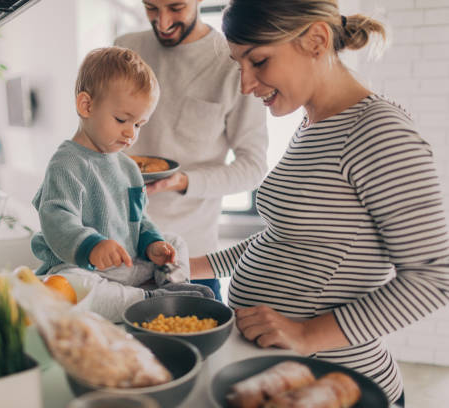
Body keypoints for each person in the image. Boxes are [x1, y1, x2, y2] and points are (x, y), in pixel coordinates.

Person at [190, 0, 449, 405]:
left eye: (258, 61)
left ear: (316, 39)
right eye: (238, 64)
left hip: (337, 384)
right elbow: (285, 239)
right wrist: (191, 266)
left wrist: (307, 333)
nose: (244, 84)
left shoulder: (379, 132)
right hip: (282, 374)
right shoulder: (311, 124)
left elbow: (434, 277)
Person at [31, 47, 213, 322]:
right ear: (86, 106)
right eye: (122, 120)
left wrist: (153, 245)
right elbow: (56, 219)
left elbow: (139, 219)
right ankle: (149, 301)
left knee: (175, 241)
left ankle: (172, 284)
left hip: (126, 264)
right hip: (84, 268)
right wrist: (91, 246)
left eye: (139, 124)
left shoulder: (127, 166)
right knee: (71, 288)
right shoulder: (66, 163)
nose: (131, 133)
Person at [115, 0, 269, 301]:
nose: (162, 22)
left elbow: (253, 167)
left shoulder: (234, 61)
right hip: (122, 251)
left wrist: (183, 181)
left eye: (176, 7)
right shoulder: (126, 49)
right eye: (151, 8)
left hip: (190, 257)